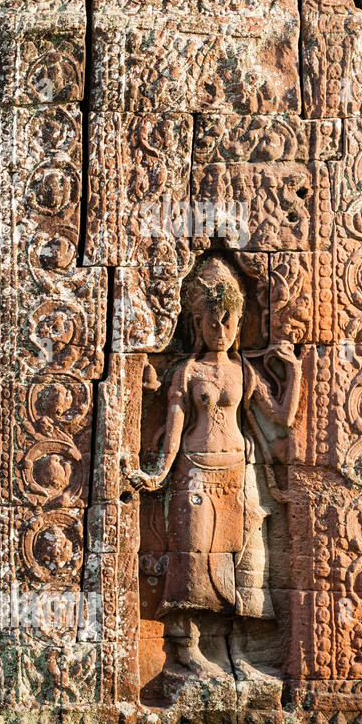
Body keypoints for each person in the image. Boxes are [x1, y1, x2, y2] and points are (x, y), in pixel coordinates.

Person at [125, 257, 301, 682]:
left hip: (239, 473)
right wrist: (158, 473)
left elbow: (282, 417)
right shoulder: (187, 372)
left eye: (228, 322)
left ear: (239, 323)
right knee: (193, 560)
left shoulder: (244, 370)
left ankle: (240, 651)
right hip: (195, 473)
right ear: (197, 324)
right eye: (211, 322)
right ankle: (186, 649)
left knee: (245, 561)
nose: (220, 331)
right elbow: (174, 430)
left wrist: (292, 371)